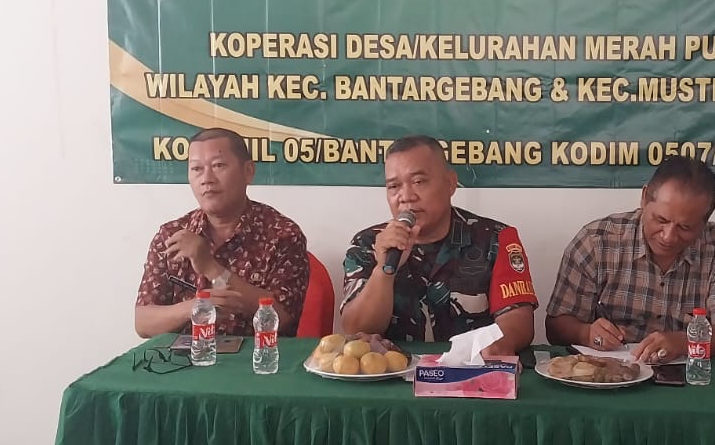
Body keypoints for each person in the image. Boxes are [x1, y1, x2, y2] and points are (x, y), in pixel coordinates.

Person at [546, 156, 715, 363]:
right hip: (610, 372)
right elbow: (556, 326)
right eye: (661, 219)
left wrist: (684, 342)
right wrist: (585, 333)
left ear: (705, 220)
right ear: (644, 198)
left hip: (692, 374)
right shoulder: (596, 242)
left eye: (685, 227)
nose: (668, 236)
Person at [341, 136, 537, 355]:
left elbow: (518, 320)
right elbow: (355, 331)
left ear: (450, 183)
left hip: (470, 368)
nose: (406, 197)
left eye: (418, 182)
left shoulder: (496, 238)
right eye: (394, 186)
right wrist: (384, 271)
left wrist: (499, 345)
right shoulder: (367, 243)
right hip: (393, 371)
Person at [134, 127, 310, 338]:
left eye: (218, 166)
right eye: (197, 169)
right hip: (185, 357)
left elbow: (283, 316)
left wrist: (211, 268)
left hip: (258, 356)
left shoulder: (282, 234)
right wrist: (196, 307)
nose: (206, 179)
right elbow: (143, 323)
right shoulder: (171, 235)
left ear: (248, 172)